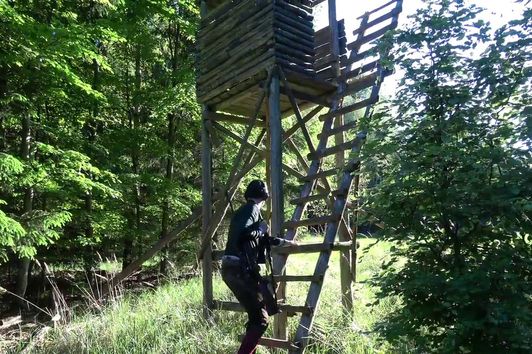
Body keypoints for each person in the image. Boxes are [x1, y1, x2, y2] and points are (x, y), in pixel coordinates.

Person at [221, 180, 296, 354]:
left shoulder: (249, 211)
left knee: (256, 316)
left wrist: (287, 242)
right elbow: (244, 235)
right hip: (238, 268)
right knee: (261, 320)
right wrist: (261, 229)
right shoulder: (251, 210)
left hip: (232, 268)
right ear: (264, 196)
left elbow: (262, 239)